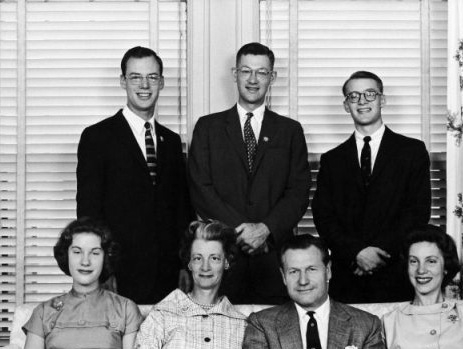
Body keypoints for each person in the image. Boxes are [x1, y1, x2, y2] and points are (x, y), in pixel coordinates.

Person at [188, 42, 311, 304]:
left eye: (262, 72)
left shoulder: (290, 131)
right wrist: (241, 233)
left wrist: (266, 229)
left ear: (272, 77)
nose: (253, 80)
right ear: (235, 75)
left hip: (274, 259)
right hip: (223, 258)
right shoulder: (208, 128)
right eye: (246, 71)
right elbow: (201, 188)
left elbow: (298, 192)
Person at [76, 46, 192, 304]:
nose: (144, 85)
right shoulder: (97, 138)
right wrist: (102, 268)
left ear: (161, 82)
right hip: (119, 274)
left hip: (168, 276)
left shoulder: (171, 142)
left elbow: (181, 211)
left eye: (152, 77)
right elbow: (88, 214)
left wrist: (185, 265)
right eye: (135, 77)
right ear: (123, 81)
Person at [238, 234, 391, 349]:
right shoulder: (262, 323)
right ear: (283, 276)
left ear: (328, 271)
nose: (303, 280)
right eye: (294, 271)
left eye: (311, 269)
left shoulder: (366, 325)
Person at [312, 70, 431, 303]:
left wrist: (378, 253)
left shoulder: (412, 151)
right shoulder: (331, 160)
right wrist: (356, 253)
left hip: (396, 272)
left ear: (382, 100)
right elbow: (324, 217)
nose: (362, 101)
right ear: (346, 105)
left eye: (370, 94)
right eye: (354, 96)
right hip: (348, 276)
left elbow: (417, 212)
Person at [13, 218, 144, 349]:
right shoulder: (44, 311)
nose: (85, 261)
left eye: (95, 252)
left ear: (105, 257)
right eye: (77, 252)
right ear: (66, 255)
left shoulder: (125, 309)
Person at [130, 220, 247, 349]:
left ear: (226, 262)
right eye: (198, 258)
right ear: (189, 263)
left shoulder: (241, 325)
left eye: (215, 258)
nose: (205, 267)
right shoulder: (162, 315)